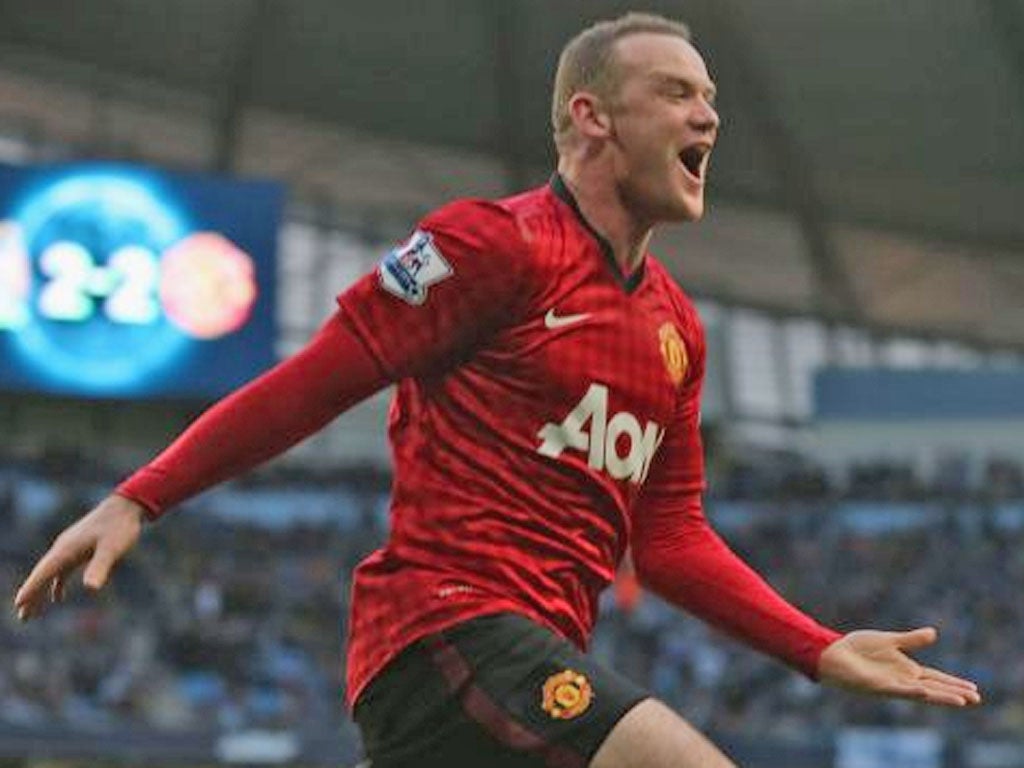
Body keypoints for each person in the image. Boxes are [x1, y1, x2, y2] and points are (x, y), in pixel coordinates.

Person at [13, 12, 981, 768]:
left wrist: (814, 648)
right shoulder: (493, 245)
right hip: (448, 630)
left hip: (514, 667)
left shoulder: (676, 330)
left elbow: (671, 539)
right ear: (591, 116)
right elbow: (318, 381)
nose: (707, 116)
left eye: (711, 97)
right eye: (677, 93)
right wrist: (141, 495)